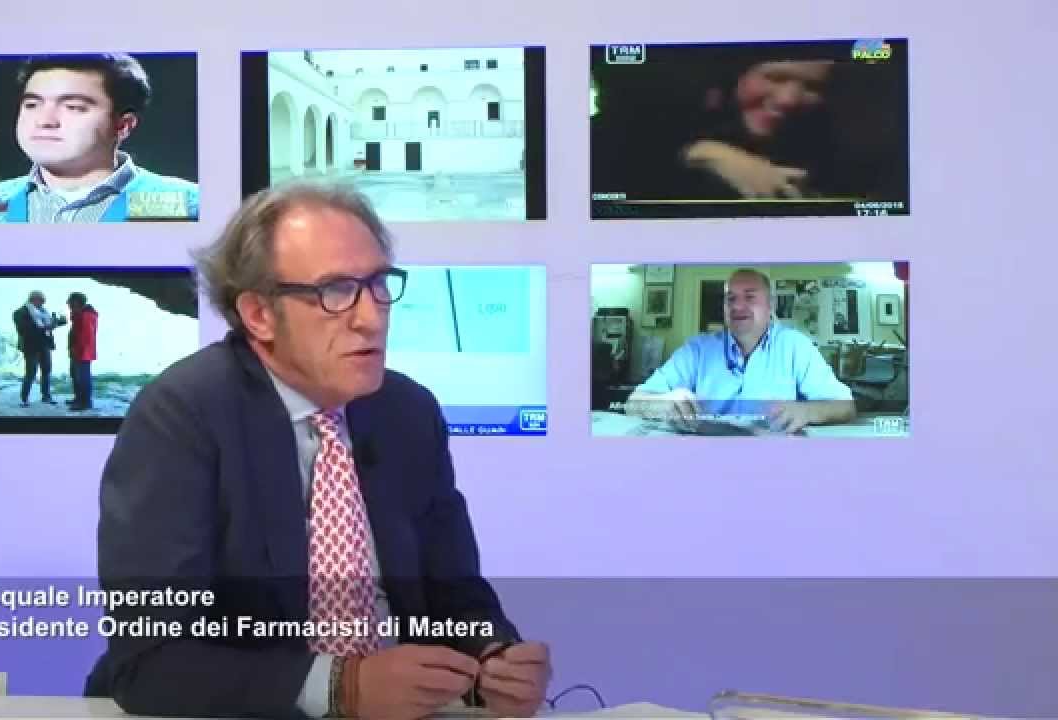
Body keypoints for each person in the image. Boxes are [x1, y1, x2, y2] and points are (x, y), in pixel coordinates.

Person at [84, 184, 551, 719]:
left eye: (378, 285)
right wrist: (341, 686)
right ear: (259, 314)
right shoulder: (182, 415)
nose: (371, 317)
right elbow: (151, 659)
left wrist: (493, 656)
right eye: (336, 290)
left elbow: (454, 595)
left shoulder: (407, 412)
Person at [591, 45, 857, 202]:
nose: (789, 99)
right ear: (738, 76)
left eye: (812, 87)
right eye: (775, 77)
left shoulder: (827, 149)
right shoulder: (658, 119)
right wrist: (704, 153)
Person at [0, 53, 198, 222]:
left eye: (73, 107)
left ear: (123, 125)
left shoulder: (187, 203)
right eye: (32, 105)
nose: (45, 121)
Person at [624, 269, 856, 434]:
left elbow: (845, 406)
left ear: (770, 305)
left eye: (750, 297)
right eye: (730, 299)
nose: (737, 306)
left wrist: (806, 412)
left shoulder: (796, 346)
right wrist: (664, 403)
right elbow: (634, 402)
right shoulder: (697, 350)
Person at [11, 291, 63, 407]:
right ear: (33, 299)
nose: (43, 303)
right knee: (31, 372)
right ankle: (24, 398)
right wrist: (46, 327)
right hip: (31, 346)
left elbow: (48, 325)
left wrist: (58, 322)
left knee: (46, 371)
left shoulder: (43, 312)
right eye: (41, 300)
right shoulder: (20, 312)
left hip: (44, 345)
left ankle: (46, 396)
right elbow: (24, 329)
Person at [66, 292, 98, 411]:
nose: (69, 305)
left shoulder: (86, 315)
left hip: (83, 352)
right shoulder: (80, 315)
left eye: (70, 303)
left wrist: (77, 349)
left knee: (83, 377)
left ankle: (85, 402)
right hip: (78, 350)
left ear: (76, 303)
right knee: (76, 375)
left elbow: (86, 336)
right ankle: (78, 398)